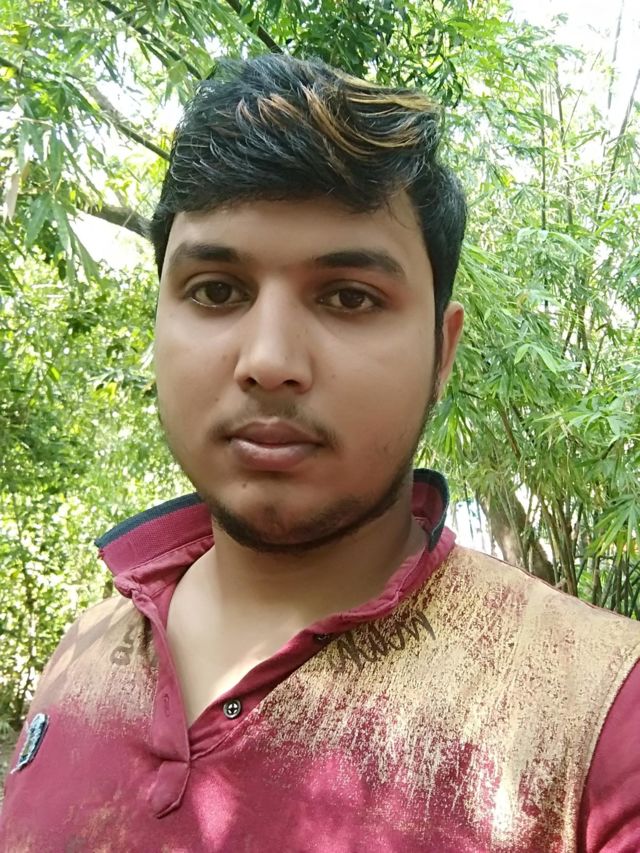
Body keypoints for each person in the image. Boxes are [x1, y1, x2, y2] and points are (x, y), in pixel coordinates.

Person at [1, 54, 639, 853]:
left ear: (441, 354)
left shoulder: (600, 715)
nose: (269, 360)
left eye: (349, 297)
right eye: (216, 290)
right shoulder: (84, 650)